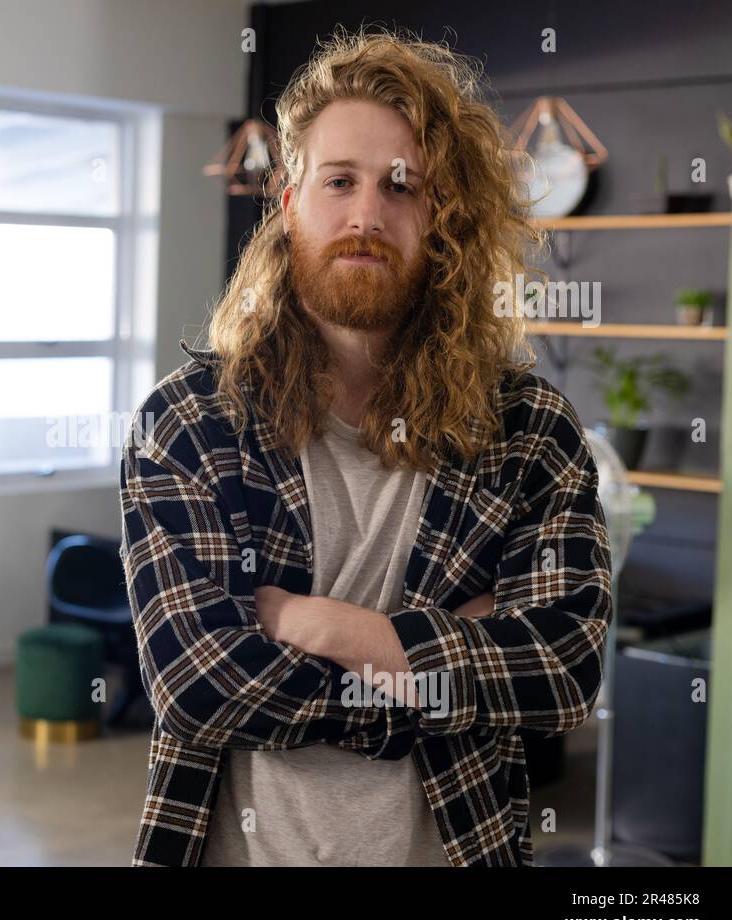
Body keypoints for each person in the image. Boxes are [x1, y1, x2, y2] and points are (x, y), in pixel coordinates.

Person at [119, 28, 612, 867]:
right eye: (339, 180)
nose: (366, 214)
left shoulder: (529, 431)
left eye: (402, 186)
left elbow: (561, 665)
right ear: (289, 203)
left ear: (441, 218)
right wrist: (435, 662)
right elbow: (198, 686)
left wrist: (318, 623)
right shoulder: (188, 423)